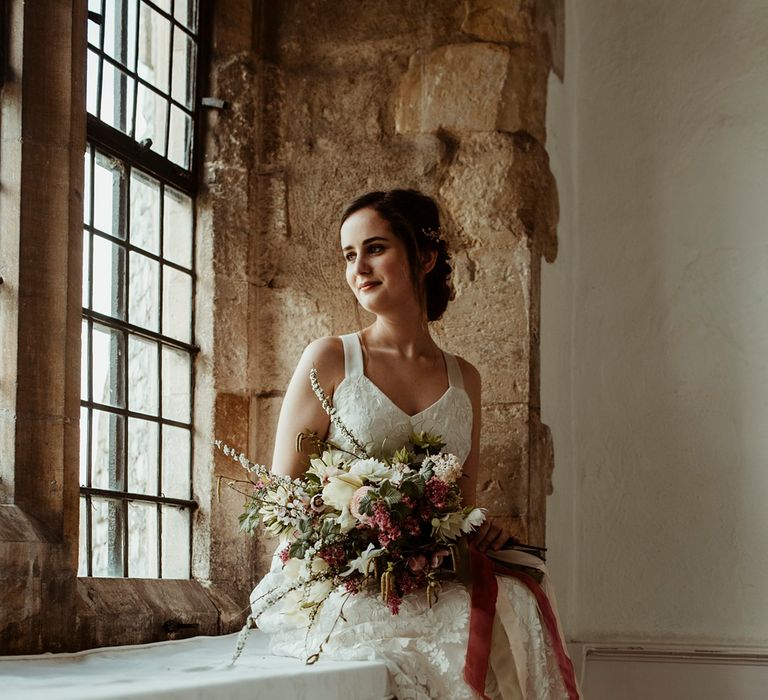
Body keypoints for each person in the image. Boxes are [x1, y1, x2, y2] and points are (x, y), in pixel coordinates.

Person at [251, 189, 578, 699]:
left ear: (425, 258)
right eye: (349, 254)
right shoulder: (331, 359)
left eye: (375, 248)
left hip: (430, 571)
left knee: (521, 604)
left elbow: (460, 503)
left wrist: (477, 526)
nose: (359, 266)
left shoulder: (464, 378)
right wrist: (358, 517)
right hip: (341, 574)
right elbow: (281, 491)